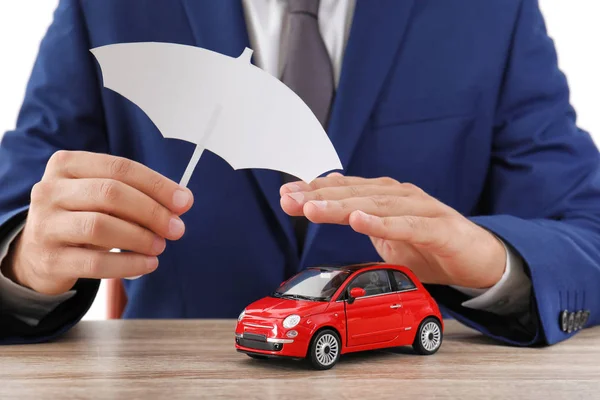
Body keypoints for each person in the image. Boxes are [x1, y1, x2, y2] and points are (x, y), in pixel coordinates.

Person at [0, 0, 598, 346]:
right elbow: (18, 198)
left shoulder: (492, 12)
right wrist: (22, 263)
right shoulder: (104, 5)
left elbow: (586, 230)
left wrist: (495, 262)